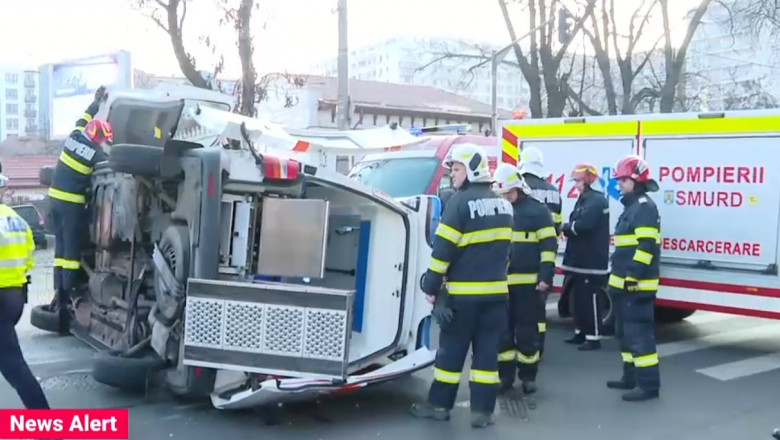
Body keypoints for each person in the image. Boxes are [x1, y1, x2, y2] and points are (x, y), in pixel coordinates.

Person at [410, 143, 514, 428]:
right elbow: (509, 253)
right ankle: (483, 412)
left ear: (472, 170)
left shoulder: (459, 203)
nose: (453, 174)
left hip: (463, 299)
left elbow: (442, 252)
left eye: (456, 169)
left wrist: (431, 286)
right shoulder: (505, 205)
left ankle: (439, 406)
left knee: (451, 354)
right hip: (496, 298)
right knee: (487, 357)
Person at [43, 86, 111, 334]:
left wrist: (96, 102)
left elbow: (85, 117)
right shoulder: (96, 153)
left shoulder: (73, 136)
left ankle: (58, 294)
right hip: (72, 207)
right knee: (71, 256)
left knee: (60, 253)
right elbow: (108, 172)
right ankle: (69, 297)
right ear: (99, 138)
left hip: (53, 203)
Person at [492, 164, 557, 395]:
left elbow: (549, 246)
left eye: (508, 192)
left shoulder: (538, 211)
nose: (505, 197)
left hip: (528, 285)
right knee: (502, 334)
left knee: (527, 333)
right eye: (501, 193)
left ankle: (529, 377)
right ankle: (505, 377)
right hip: (501, 284)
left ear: (518, 188)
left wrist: (545, 276)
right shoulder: (497, 209)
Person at [606, 154, 661, 402]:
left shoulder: (644, 207)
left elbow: (646, 246)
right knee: (624, 334)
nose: (619, 184)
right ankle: (630, 377)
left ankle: (648, 386)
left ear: (636, 180)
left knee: (639, 337)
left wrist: (632, 276)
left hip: (636, 287)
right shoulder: (632, 206)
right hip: (623, 286)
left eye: (623, 180)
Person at [0, 175, 51, 410]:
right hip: (15, 296)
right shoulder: (17, 220)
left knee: (13, 365)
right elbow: (29, 259)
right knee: (11, 362)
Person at [517, 146, 562, 356]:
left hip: (525, 253)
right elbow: (558, 224)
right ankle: (539, 344)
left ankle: (524, 346)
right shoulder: (553, 190)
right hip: (547, 253)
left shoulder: (522, 187)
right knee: (539, 306)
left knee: (520, 310)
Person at [561, 163, 610, 351]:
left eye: (578, 181)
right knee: (579, 301)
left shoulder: (596, 201)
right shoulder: (586, 198)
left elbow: (584, 225)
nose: (576, 185)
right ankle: (581, 333)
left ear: (589, 180)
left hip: (591, 262)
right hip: (581, 261)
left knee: (591, 301)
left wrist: (565, 228)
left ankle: (593, 337)